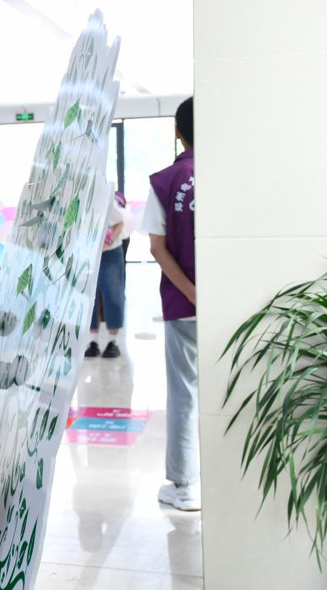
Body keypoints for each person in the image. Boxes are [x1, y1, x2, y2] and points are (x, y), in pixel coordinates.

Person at [143, 96, 200, 512]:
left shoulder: (166, 180)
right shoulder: (235, 173)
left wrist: (193, 293)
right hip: (237, 304)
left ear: (178, 132)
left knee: (185, 392)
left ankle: (185, 486)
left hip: (184, 304)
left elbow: (157, 247)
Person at [87, 189, 127, 359]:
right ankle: (92, 342)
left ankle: (113, 342)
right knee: (89, 297)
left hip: (110, 253)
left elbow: (120, 222)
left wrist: (108, 241)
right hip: (88, 254)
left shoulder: (104, 199)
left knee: (113, 295)